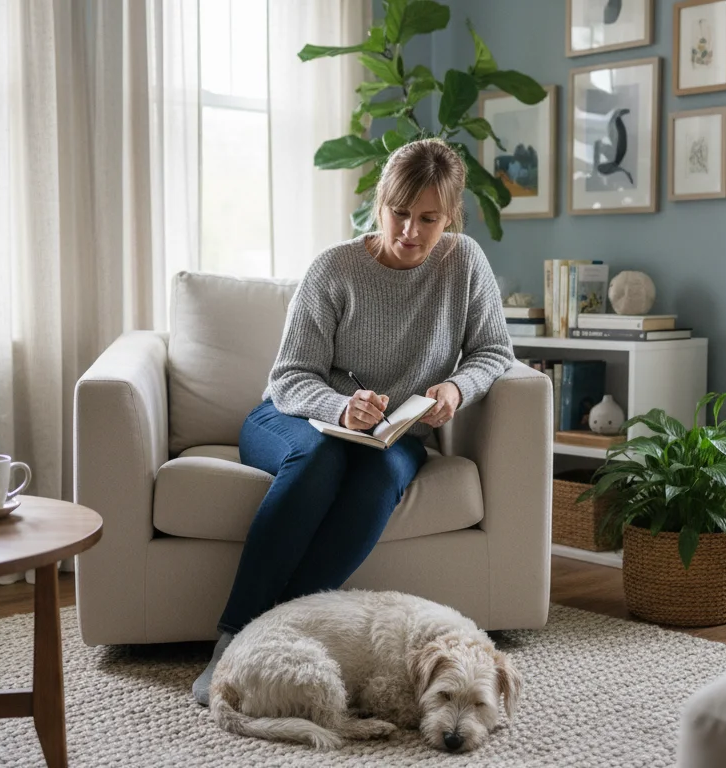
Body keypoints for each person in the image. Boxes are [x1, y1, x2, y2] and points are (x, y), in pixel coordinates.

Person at [192, 138, 515, 704]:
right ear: (381, 202)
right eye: (399, 213)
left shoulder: (464, 264)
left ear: (450, 217)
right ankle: (231, 642)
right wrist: (341, 407)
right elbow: (291, 376)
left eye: (428, 219)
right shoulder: (335, 268)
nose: (410, 231)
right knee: (321, 458)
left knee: (377, 479)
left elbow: (493, 350)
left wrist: (456, 388)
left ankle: (273, 639)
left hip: (393, 433)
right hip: (291, 418)